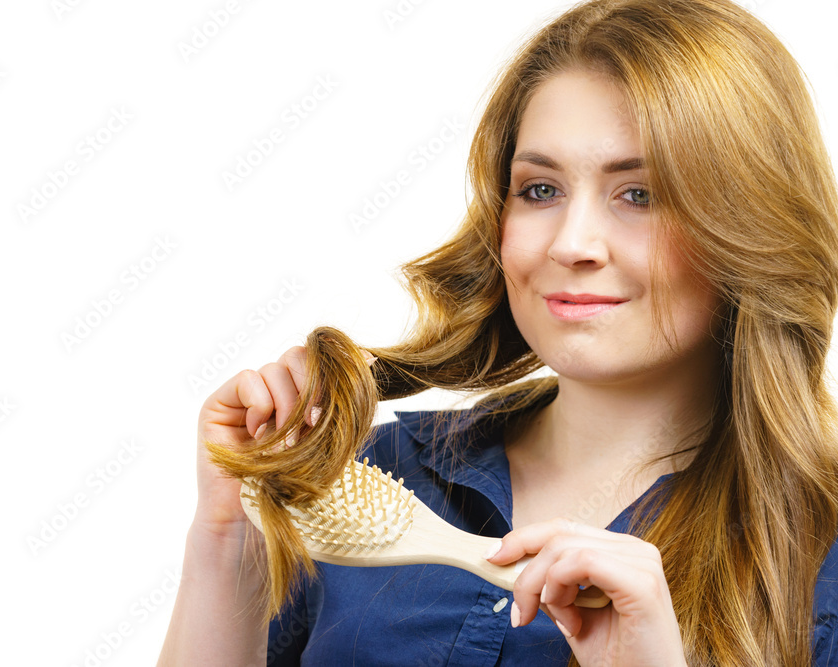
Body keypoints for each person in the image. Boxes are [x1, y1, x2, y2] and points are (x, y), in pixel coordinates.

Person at [159, 0, 838, 664]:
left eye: (641, 194)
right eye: (540, 189)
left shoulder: (820, 553)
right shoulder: (371, 476)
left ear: (750, 226)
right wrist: (227, 543)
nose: (572, 243)